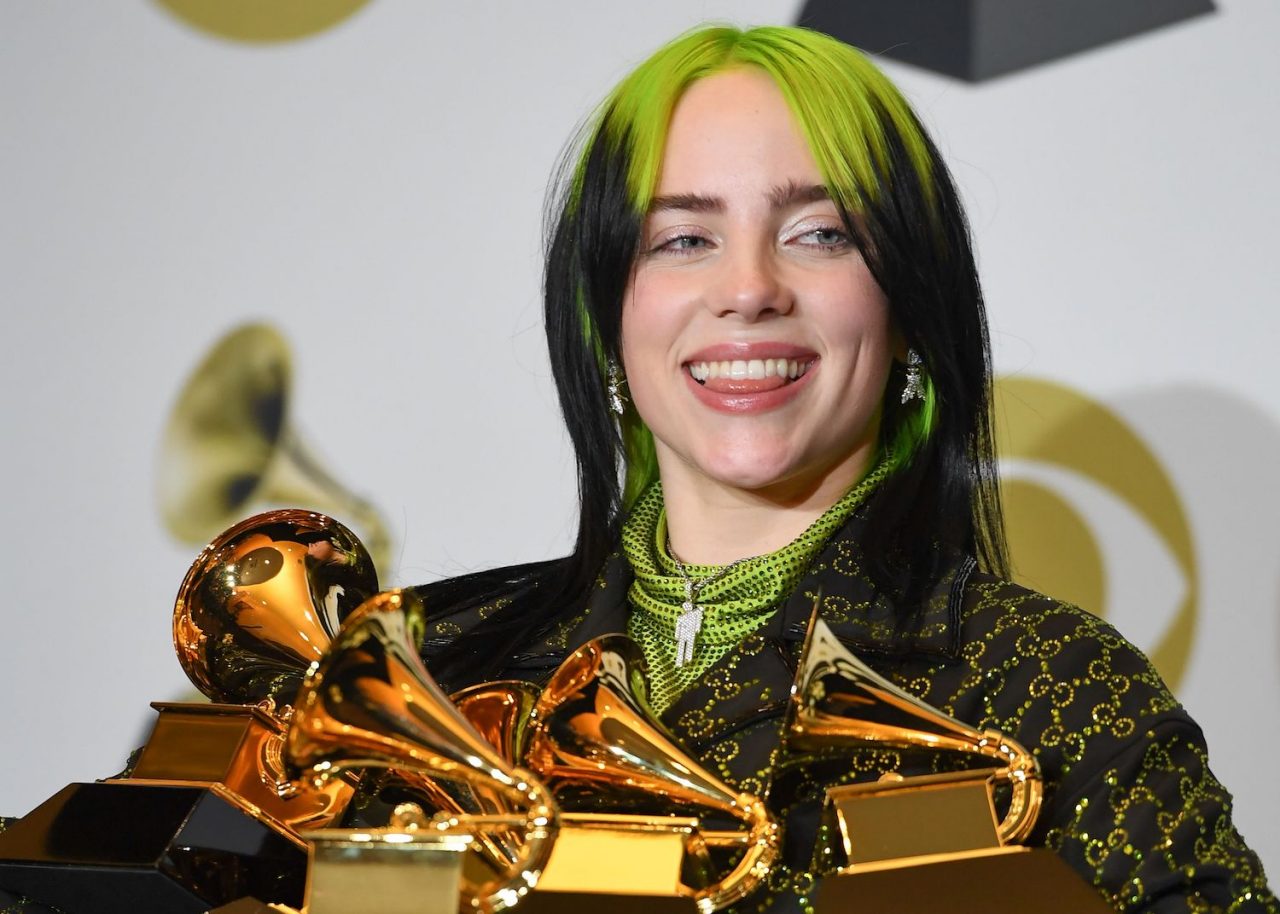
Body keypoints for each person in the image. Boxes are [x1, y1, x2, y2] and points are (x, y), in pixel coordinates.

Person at [408, 23, 1277, 914]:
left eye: (820, 234)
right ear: (604, 317)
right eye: (683, 239)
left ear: (906, 306)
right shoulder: (436, 670)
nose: (748, 288)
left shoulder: (1048, 686)